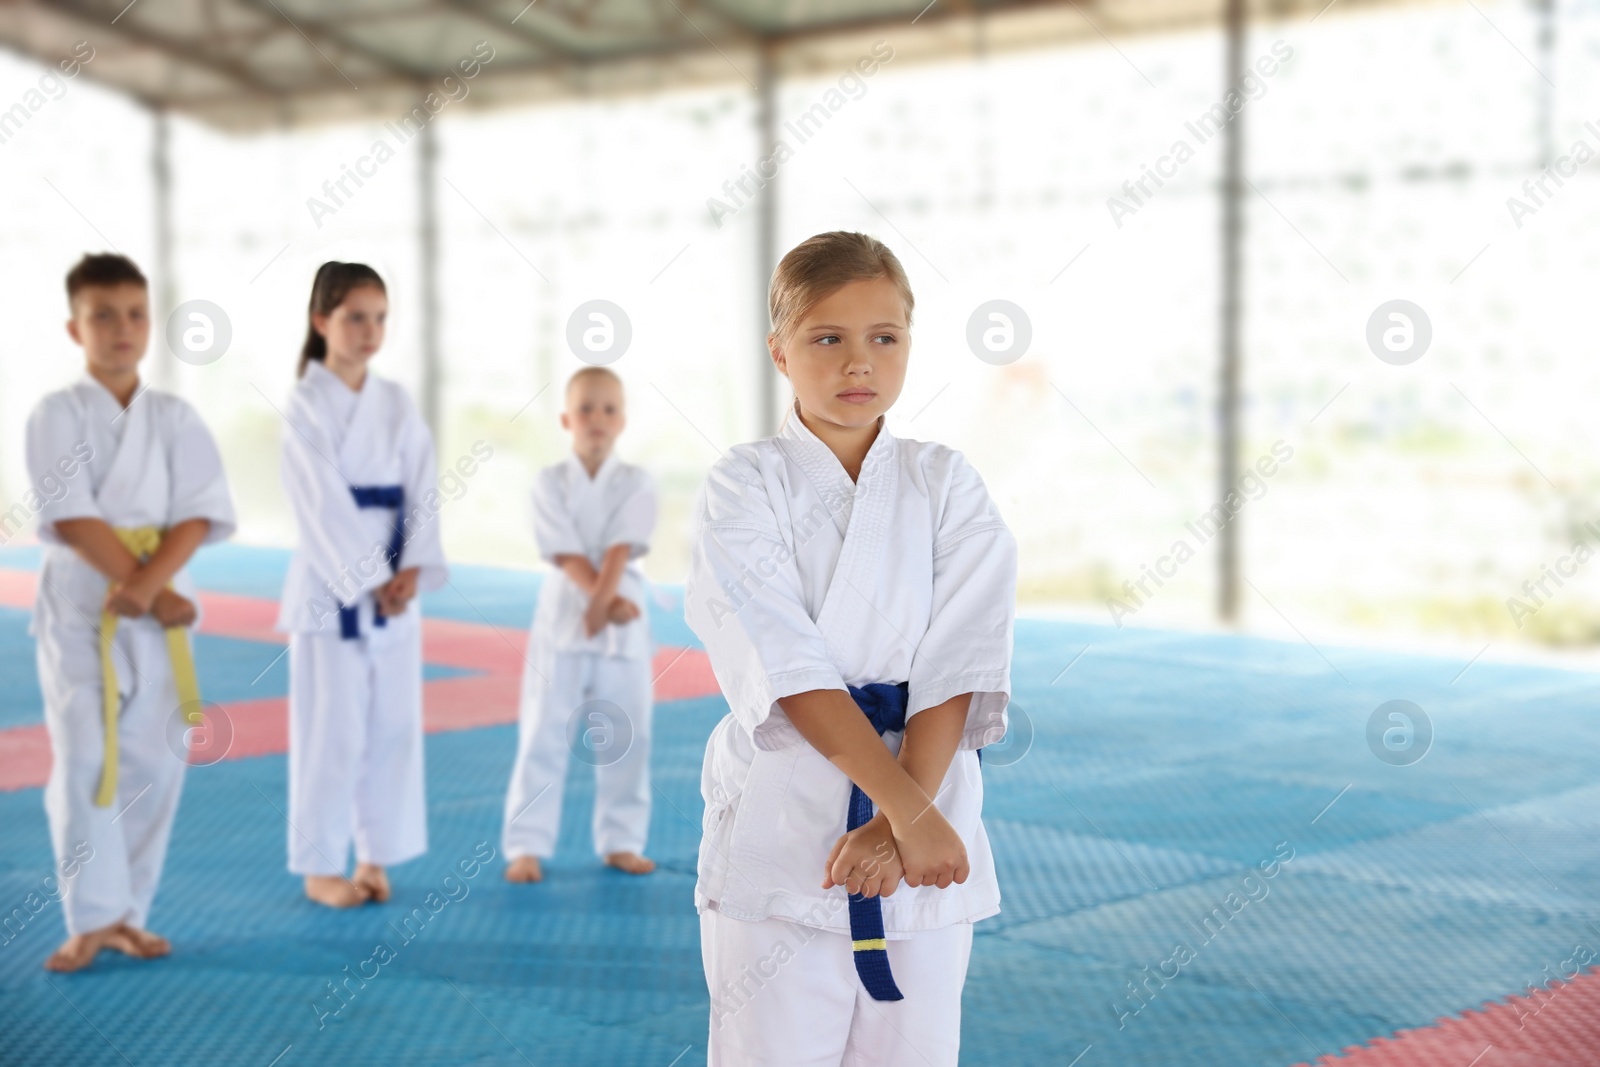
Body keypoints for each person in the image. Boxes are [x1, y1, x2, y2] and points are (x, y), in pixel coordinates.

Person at [685, 231, 1017, 1065]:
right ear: (780, 352)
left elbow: (961, 658)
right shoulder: (744, 481)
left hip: (929, 816)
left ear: (910, 344)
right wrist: (905, 811)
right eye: (826, 338)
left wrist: (908, 816)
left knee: (915, 1050)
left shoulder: (946, 480)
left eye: (885, 338)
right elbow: (785, 662)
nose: (857, 363)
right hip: (791, 810)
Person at [28, 253, 236, 971]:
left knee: (156, 758)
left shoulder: (175, 417)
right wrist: (147, 586)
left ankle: (129, 914)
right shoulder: (56, 414)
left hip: (157, 599)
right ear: (74, 326)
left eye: (136, 313)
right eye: (103, 315)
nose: (122, 328)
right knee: (88, 755)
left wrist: (152, 587)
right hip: (83, 603)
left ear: (151, 322)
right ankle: (90, 915)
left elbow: (200, 513)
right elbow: (73, 517)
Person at [277, 261, 446, 908]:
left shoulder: (395, 400)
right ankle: (322, 864)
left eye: (380, 317)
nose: (371, 330)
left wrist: (411, 565)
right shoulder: (304, 403)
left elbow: (423, 484)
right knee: (332, 729)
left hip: (395, 587)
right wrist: (370, 577)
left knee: (395, 724)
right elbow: (318, 502)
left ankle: (377, 854)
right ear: (322, 321)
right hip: (333, 591)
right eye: (355, 317)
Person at [502, 367, 657, 882]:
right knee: (543, 728)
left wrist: (607, 603)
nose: (598, 418)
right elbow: (566, 552)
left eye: (609, 409)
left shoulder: (636, 482)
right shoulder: (549, 482)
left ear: (623, 421)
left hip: (621, 610)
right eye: (587, 409)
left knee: (625, 731)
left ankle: (621, 839)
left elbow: (620, 546)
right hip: (566, 613)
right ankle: (526, 844)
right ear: (567, 419)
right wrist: (599, 604)